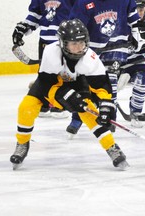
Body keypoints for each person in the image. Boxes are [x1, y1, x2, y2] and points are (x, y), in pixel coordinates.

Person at [10, 19, 129, 170]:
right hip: (49, 85)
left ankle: (112, 147)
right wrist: (63, 95)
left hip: (77, 85)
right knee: (25, 107)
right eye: (74, 43)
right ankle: (22, 143)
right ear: (63, 43)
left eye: (82, 42)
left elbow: (102, 86)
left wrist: (106, 106)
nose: (79, 47)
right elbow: (46, 83)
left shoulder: (90, 59)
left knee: (90, 113)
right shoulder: (51, 52)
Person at [66, 0, 145, 135]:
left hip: (117, 47)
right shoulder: (84, 2)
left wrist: (136, 36)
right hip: (91, 49)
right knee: (84, 86)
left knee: (110, 84)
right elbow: (75, 27)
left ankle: (110, 117)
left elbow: (135, 20)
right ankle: (78, 118)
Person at [12, 0, 75, 118]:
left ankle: (60, 103)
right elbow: (36, 14)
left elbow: (81, 12)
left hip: (66, 39)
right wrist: (23, 27)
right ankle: (44, 101)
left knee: (64, 73)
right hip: (45, 40)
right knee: (44, 73)